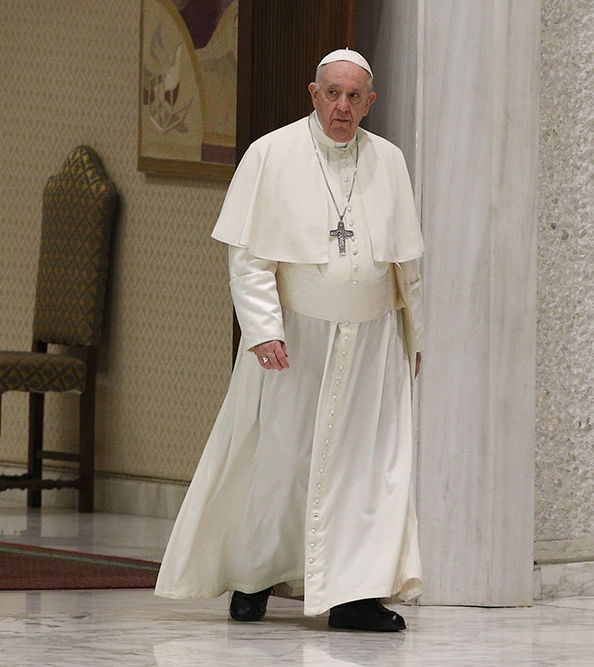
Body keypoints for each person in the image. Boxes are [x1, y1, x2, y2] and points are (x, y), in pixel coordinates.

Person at [155, 49, 425, 633]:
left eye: (355, 97)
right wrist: (263, 329)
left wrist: (415, 336)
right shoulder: (271, 154)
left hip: (373, 342)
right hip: (295, 340)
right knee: (278, 459)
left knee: (367, 468)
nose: (343, 107)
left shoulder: (390, 161)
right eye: (333, 93)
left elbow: (408, 265)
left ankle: (355, 596)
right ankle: (253, 580)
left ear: (370, 103)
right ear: (313, 93)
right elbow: (249, 258)